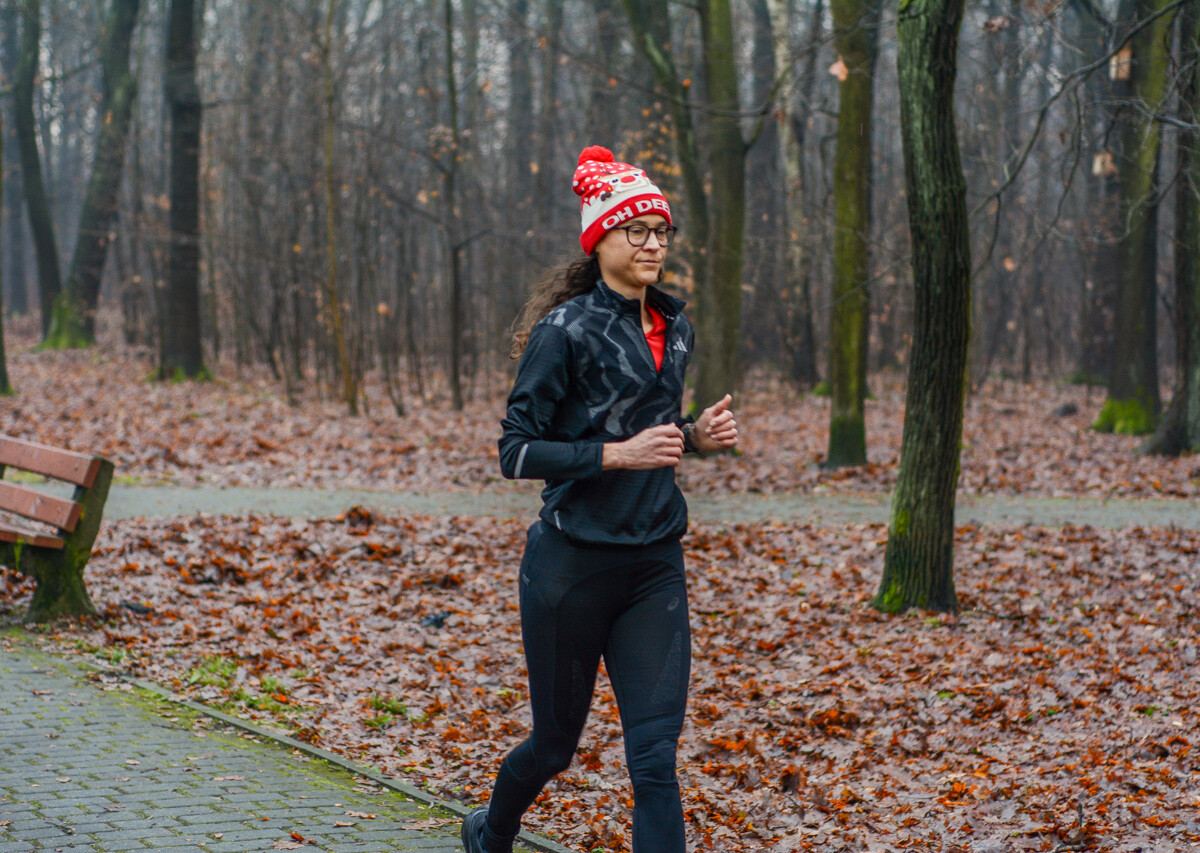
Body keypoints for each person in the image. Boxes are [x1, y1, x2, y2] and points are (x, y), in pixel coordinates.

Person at [461, 145, 739, 853]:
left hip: (653, 568)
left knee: (654, 759)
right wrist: (618, 455)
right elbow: (515, 450)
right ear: (602, 237)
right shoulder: (564, 333)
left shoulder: (675, 328)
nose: (653, 244)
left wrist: (694, 436)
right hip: (569, 570)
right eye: (636, 230)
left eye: (662, 231)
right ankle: (491, 832)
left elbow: (648, 430)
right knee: (554, 745)